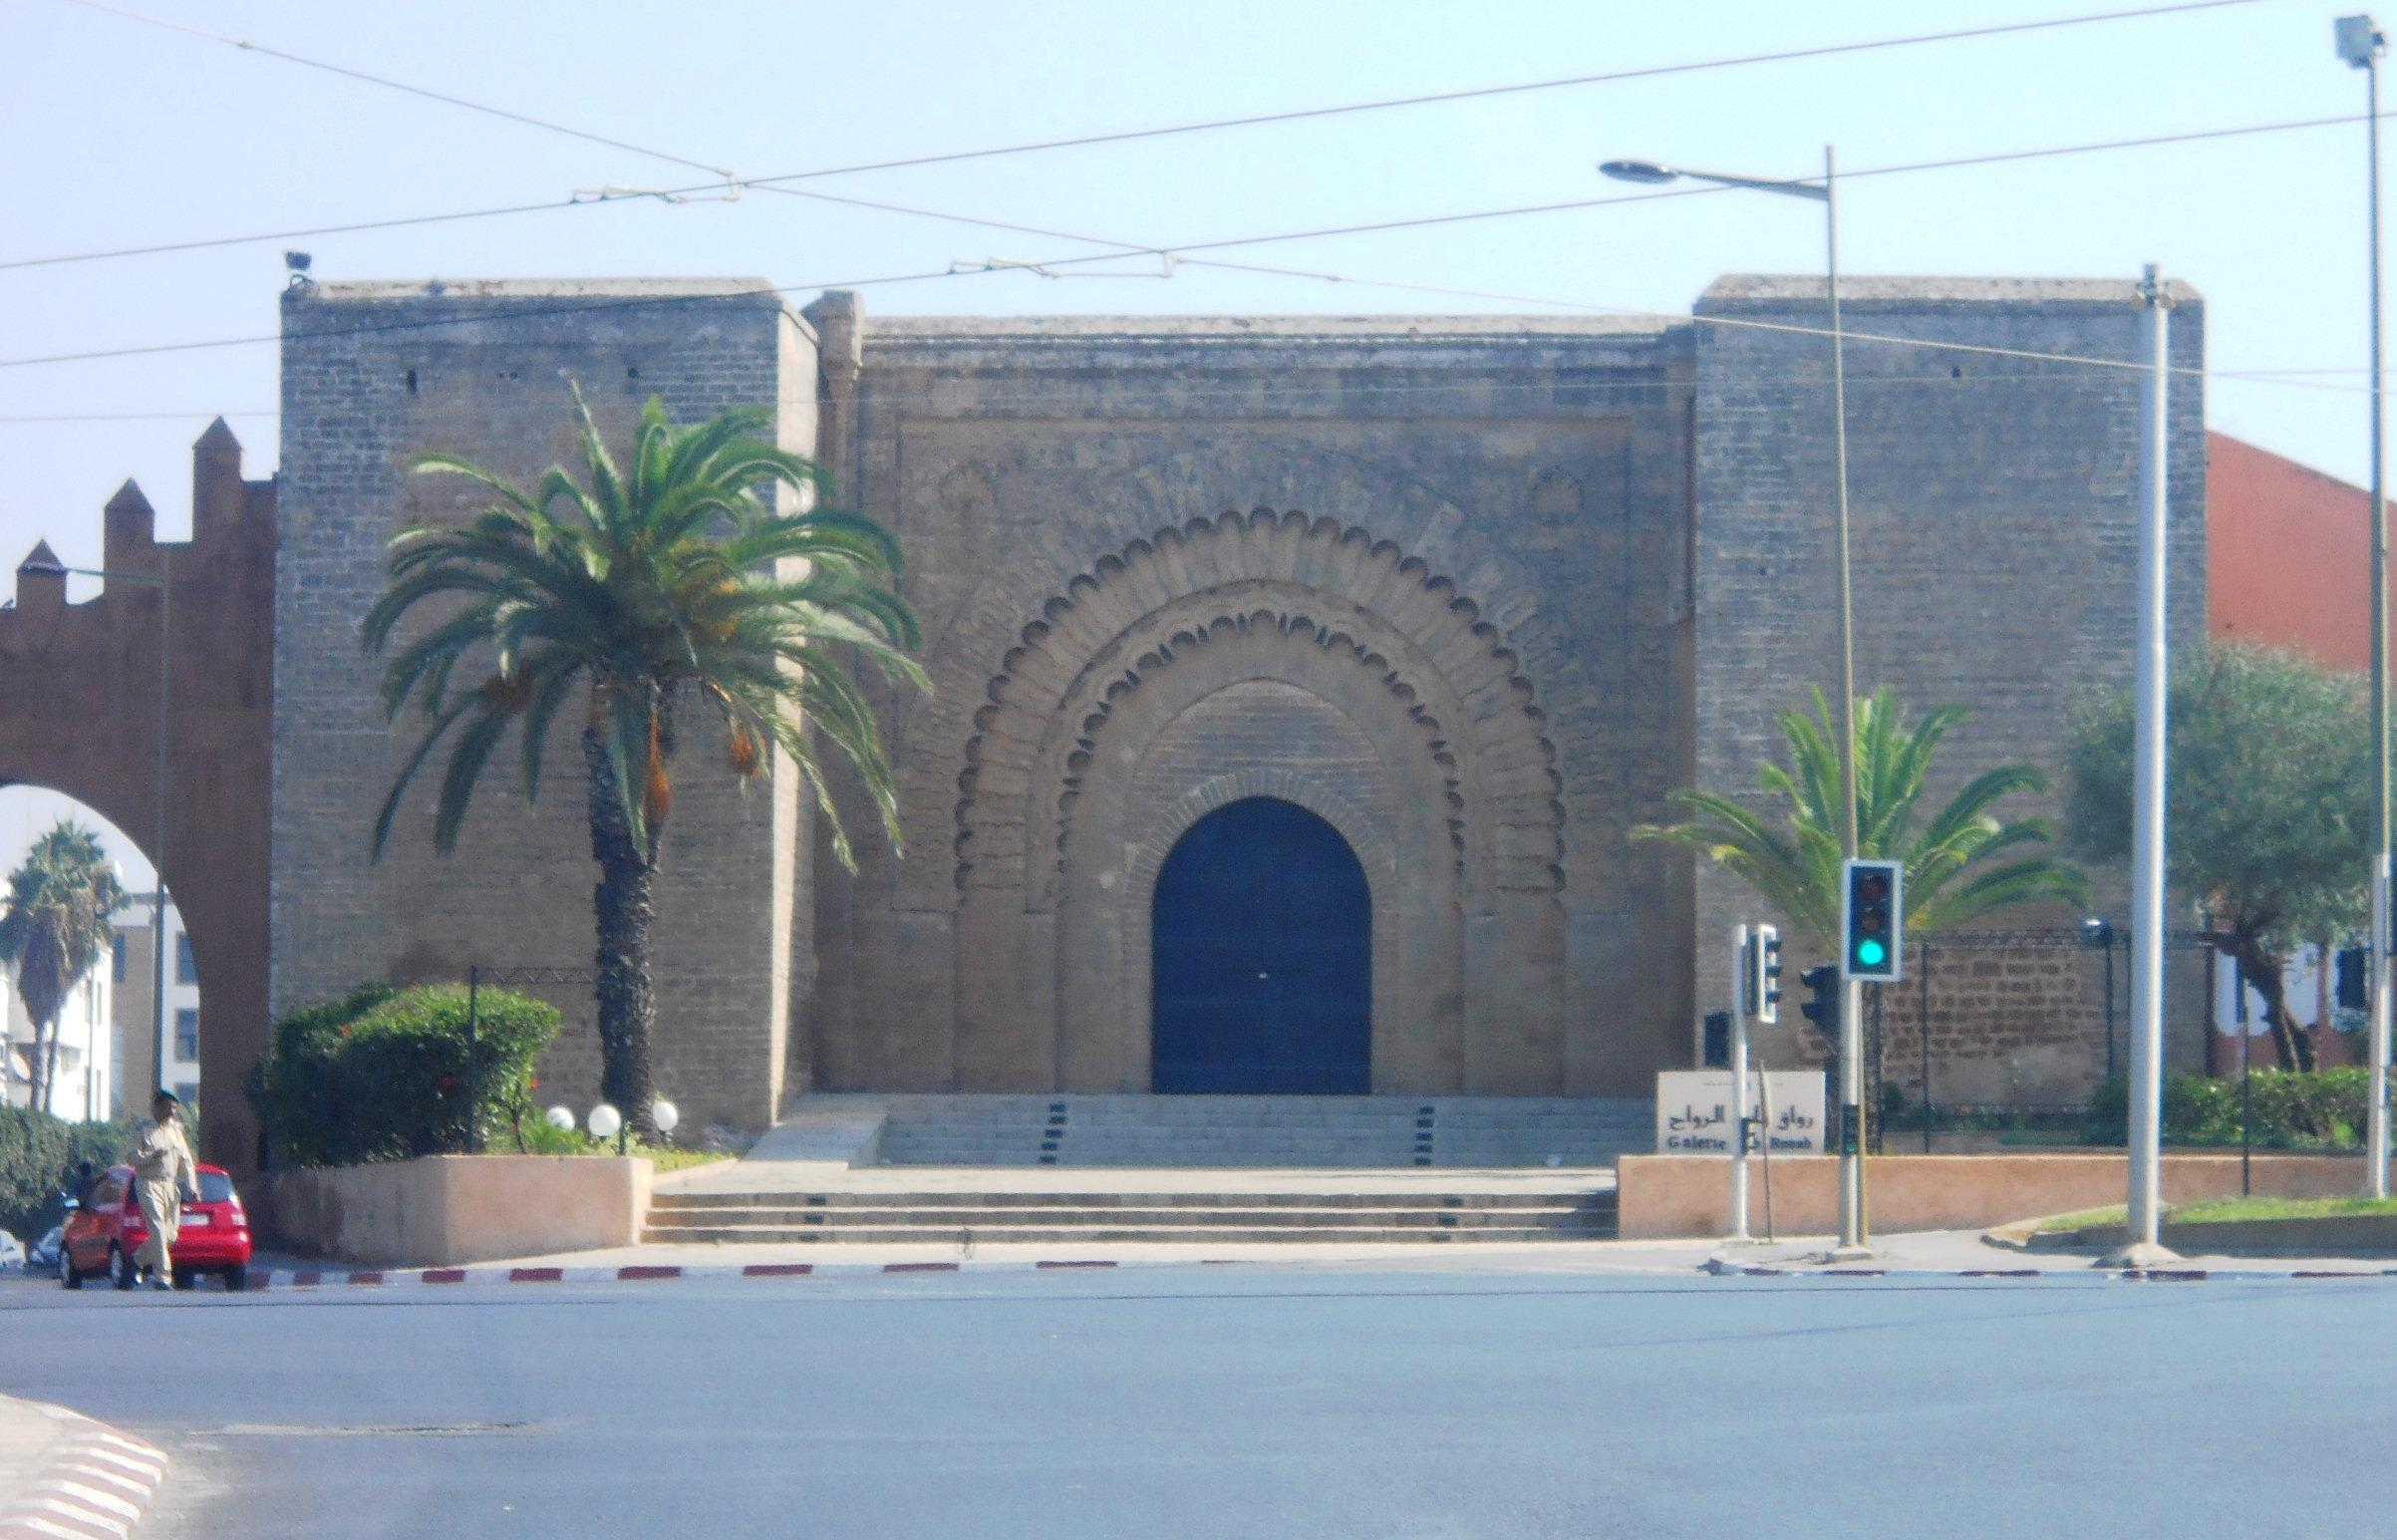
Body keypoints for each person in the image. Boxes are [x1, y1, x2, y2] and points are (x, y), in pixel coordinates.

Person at [127, 1090, 195, 1292]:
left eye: (174, 1108)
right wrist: (150, 1157)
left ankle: (138, 1259)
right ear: (156, 1106)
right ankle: (163, 1277)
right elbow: (130, 1157)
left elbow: (186, 1162)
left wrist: (191, 1186)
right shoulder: (143, 1130)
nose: (171, 1112)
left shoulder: (176, 1132)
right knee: (156, 1227)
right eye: (167, 1107)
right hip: (148, 1184)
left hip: (170, 1185)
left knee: (170, 1236)